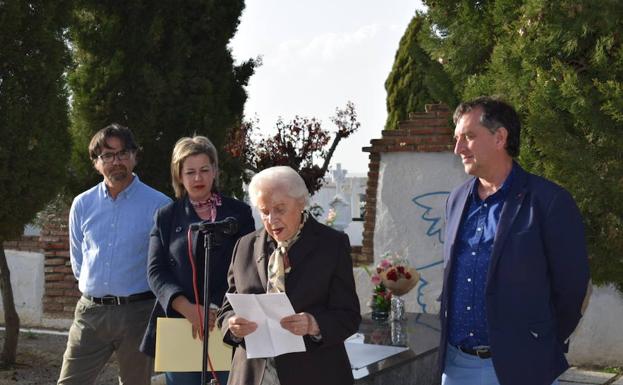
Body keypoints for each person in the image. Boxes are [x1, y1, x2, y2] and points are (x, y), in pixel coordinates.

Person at [439, 96, 591, 385]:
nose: (458, 148)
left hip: (523, 367)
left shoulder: (549, 202)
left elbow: (572, 289)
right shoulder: (456, 200)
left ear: (500, 137)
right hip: (456, 367)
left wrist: (538, 340)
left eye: (469, 137)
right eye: (457, 138)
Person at [217, 166, 361, 385]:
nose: (271, 219)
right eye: (264, 211)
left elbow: (348, 315)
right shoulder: (244, 246)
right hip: (253, 374)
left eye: (280, 209)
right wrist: (232, 326)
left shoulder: (331, 245)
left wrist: (314, 324)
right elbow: (227, 308)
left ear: (301, 203)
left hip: (314, 373)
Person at [58, 124, 172, 385]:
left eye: (122, 153)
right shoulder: (82, 204)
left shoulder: (159, 205)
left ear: (134, 156)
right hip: (90, 313)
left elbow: (163, 264)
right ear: (96, 163)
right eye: (107, 155)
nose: (116, 161)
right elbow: (79, 258)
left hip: (139, 314)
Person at [140, 136, 255, 385]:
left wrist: (215, 309)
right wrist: (188, 309)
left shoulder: (239, 214)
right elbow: (156, 271)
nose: (197, 178)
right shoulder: (166, 216)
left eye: (204, 170)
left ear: (215, 171)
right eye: (190, 172)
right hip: (181, 326)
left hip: (227, 323)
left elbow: (247, 268)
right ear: (179, 175)